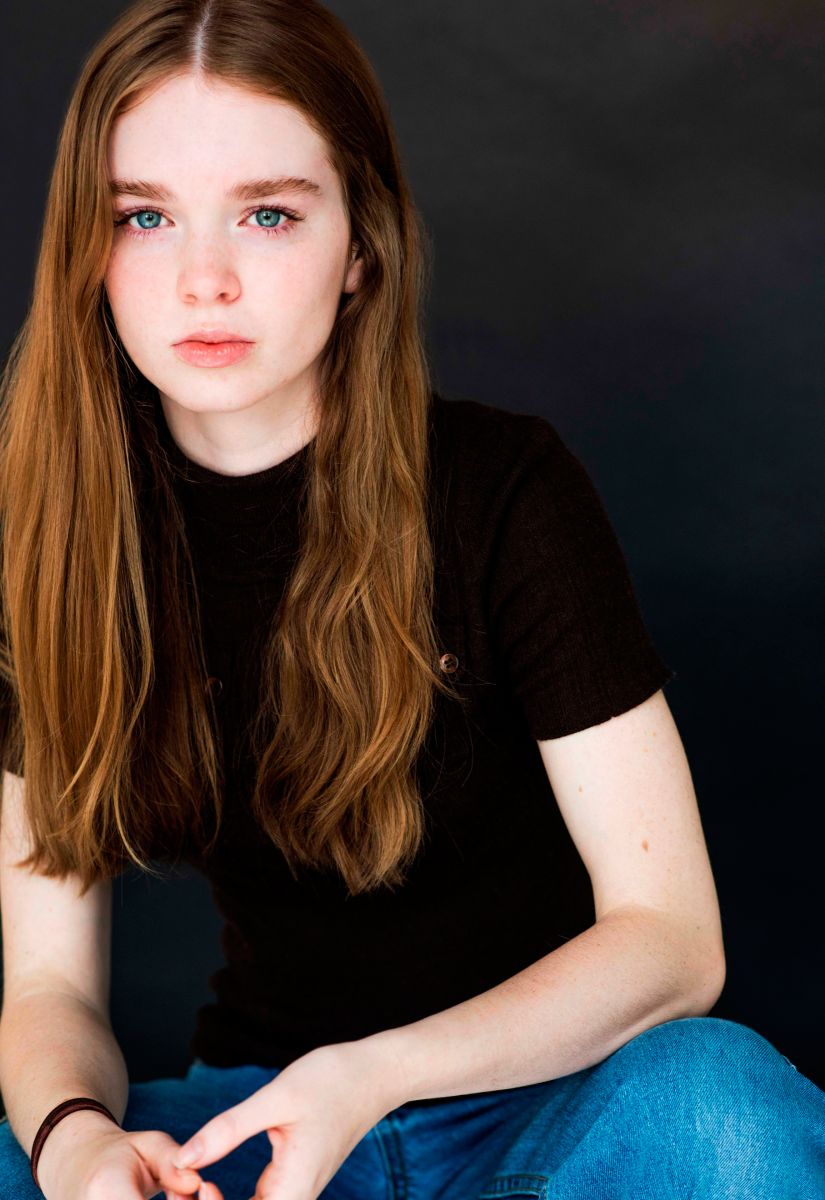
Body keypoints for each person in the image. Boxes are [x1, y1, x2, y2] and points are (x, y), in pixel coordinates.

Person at [0, 1, 823, 1198]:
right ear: (89, 248)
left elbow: (673, 942)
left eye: (269, 214)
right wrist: (76, 1141)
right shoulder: (54, 538)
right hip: (254, 1120)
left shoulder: (504, 490)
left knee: (726, 1115)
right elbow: (48, 989)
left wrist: (373, 1076)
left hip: (542, 1103)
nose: (204, 280)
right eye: (145, 217)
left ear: (361, 249)